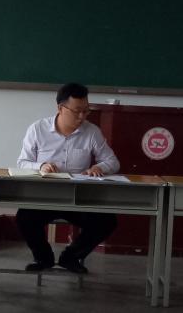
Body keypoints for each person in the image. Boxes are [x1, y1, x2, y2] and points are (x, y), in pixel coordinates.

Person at [15, 82, 121, 275]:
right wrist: (41, 166)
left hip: (77, 198)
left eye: (86, 111)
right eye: (77, 111)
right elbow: (22, 163)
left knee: (107, 222)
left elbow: (113, 161)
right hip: (44, 197)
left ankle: (71, 257)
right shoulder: (37, 129)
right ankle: (43, 258)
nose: (82, 117)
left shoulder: (92, 132)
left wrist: (99, 167)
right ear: (60, 108)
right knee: (24, 218)